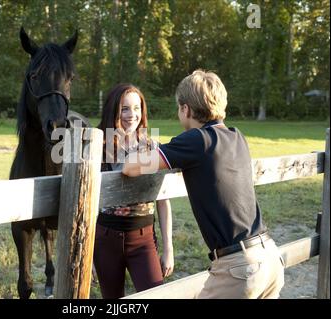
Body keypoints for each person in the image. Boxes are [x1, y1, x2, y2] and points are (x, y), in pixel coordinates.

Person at [122, 70, 285, 299]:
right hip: (269, 258)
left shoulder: (197, 140)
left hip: (239, 267)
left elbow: (130, 166)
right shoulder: (237, 136)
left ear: (185, 109)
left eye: (179, 108)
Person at [93, 83, 174, 299]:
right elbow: (87, 202)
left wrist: (168, 249)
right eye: (125, 109)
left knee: (155, 295)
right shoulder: (97, 149)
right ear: (114, 111)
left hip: (143, 238)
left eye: (137, 108)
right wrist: (89, 252)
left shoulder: (152, 147)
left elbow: (163, 199)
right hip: (105, 239)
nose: (132, 115)